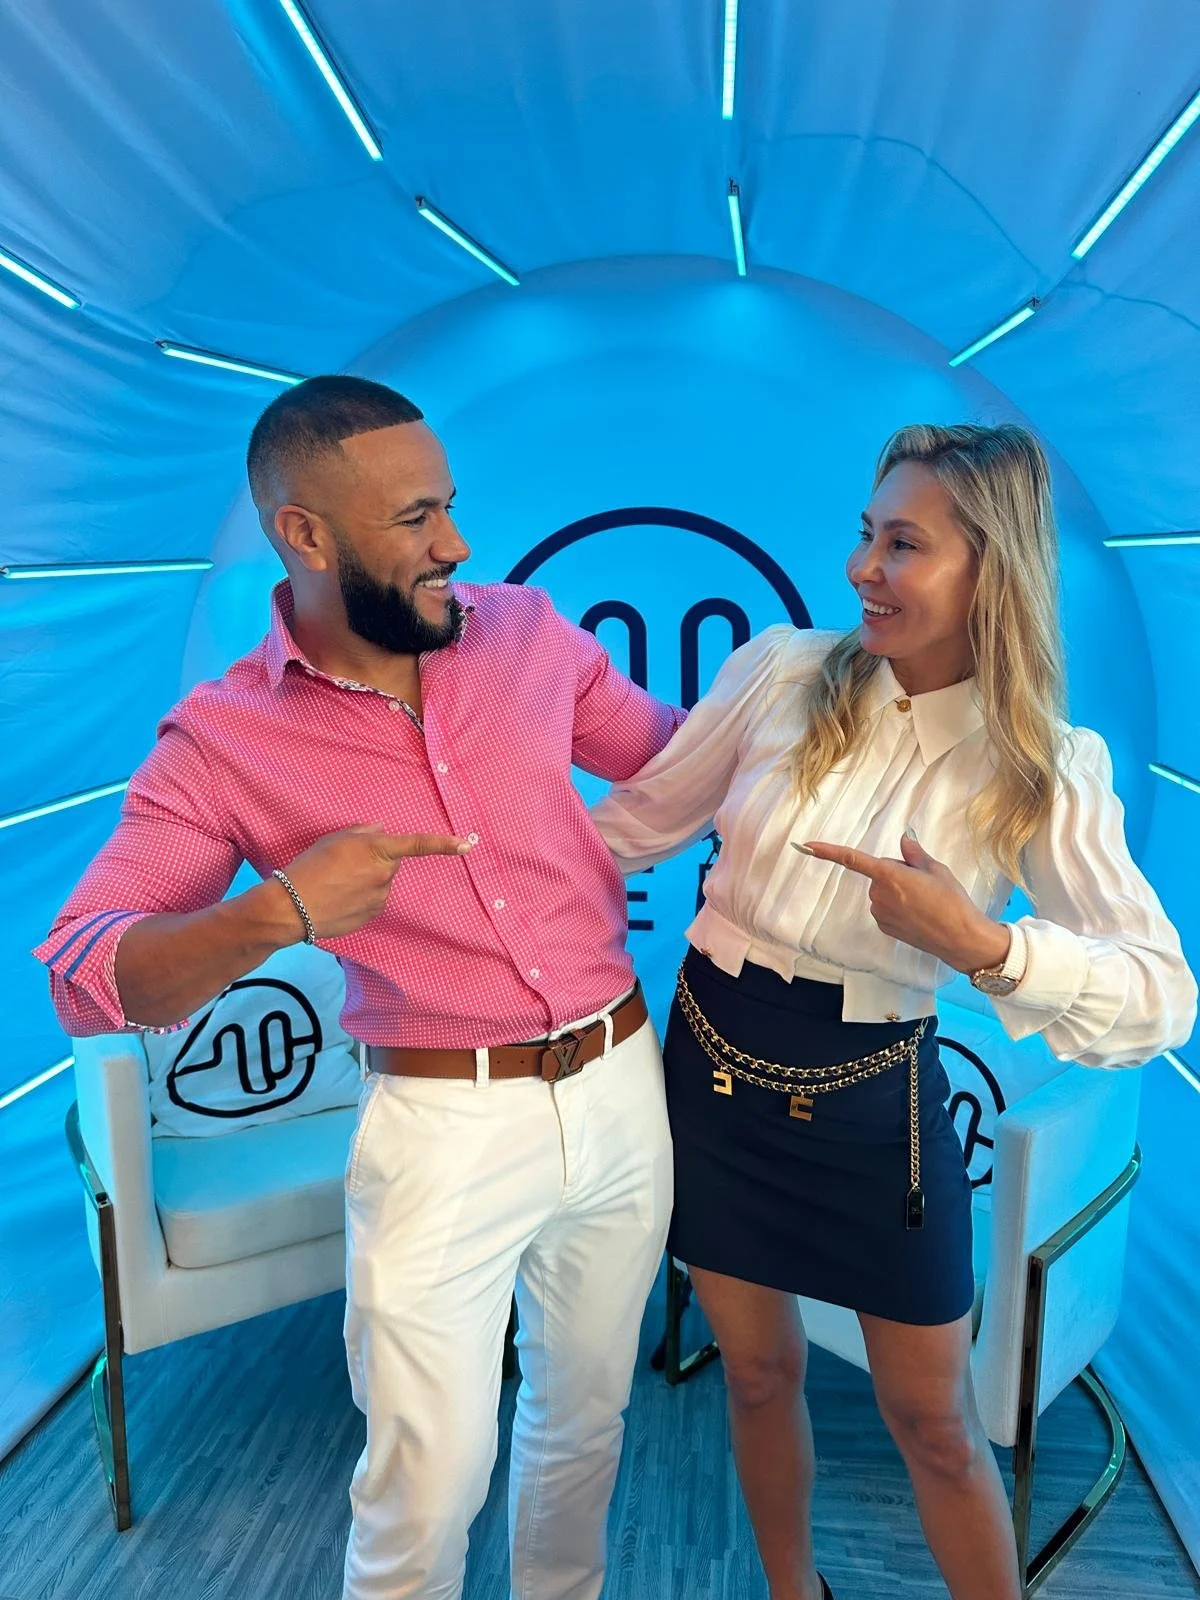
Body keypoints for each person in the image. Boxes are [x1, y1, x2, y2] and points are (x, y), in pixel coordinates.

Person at [35, 375, 683, 1600]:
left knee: (586, 1421)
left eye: (453, 508)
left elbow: (681, 754)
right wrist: (280, 911)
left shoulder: (533, 639)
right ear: (306, 535)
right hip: (444, 1131)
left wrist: (834, 717)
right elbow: (84, 970)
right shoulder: (222, 741)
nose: (458, 544)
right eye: (417, 518)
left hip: (620, 1087)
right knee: (425, 1483)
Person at [591, 422, 1197, 1600]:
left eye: (904, 543)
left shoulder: (1044, 767)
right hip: (711, 1068)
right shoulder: (777, 671)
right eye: (867, 535)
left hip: (878, 1112)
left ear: (993, 570)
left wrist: (990, 946)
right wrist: (458, 876)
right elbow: (631, 826)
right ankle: (791, 1591)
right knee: (756, 1375)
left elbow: (1162, 999)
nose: (865, 567)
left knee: (933, 1423)